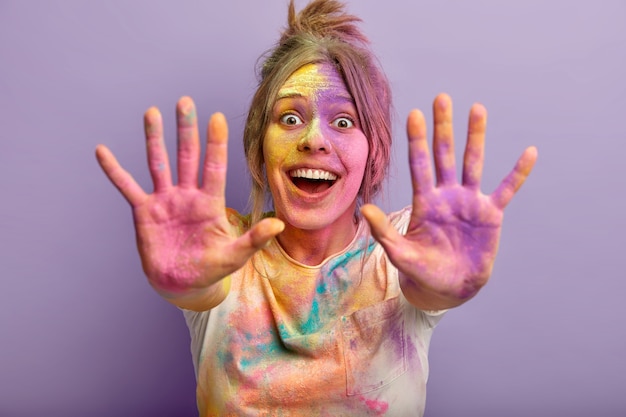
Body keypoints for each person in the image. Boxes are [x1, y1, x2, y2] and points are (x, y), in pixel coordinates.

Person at [95, 0, 537, 415]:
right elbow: (197, 285)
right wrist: (181, 284)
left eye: (343, 121)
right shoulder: (219, 247)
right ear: (258, 150)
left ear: (374, 156)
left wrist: (447, 286)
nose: (313, 139)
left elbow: (429, 286)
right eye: (290, 118)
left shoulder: (408, 247)